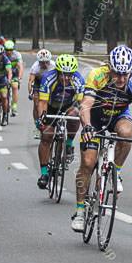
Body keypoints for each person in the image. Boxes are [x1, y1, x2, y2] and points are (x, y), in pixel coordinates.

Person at [71, 45, 132, 232]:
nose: (122, 79)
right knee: (88, 163)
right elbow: (86, 104)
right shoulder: (97, 75)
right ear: (109, 68)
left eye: (125, 74)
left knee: (126, 133)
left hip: (118, 115)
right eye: (117, 74)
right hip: (95, 118)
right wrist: (88, 127)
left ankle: (117, 170)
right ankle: (80, 212)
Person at [35, 54, 84, 189]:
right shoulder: (48, 78)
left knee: (76, 114)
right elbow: (43, 102)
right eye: (63, 74)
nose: (66, 78)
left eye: (69, 75)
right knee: (47, 136)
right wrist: (41, 118)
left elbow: (82, 103)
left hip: (68, 107)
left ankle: (68, 144)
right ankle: (44, 173)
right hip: (50, 107)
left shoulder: (78, 79)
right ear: (57, 71)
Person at [28, 49, 55, 138]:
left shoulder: (54, 65)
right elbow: (31, 81)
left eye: (46, 62)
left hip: (51, 83)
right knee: (36, 104)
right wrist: (30, 92)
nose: (44, 64)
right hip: (39, 84)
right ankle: (37, 126)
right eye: (42, 62)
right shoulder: (35, 66)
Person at [3, 39, 24, 116]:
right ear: (4, 49)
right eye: (7, 50)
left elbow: (21, 67)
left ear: (13, 49)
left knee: (14, 87)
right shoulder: (2, 55)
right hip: (3, 74)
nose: (9, 51)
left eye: (10, 50)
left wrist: (20, 78)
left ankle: (14, 106)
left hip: (14, 74)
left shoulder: (17, 55)